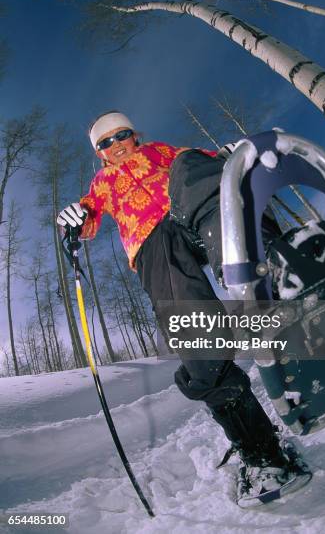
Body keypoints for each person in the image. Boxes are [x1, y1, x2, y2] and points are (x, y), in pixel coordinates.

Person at [57, 110, 294, 504]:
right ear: (99, 153)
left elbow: (205, 164)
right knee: (199, 343)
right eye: (106, 143)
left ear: (136, 135)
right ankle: (263, 452)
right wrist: (73, 219)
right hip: (152, 244)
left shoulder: (161, 152)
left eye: (123, 135)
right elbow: (88, 216)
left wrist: (234, 155)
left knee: (189, 165)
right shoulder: (102, 182)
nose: (117, 146)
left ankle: (270, 263)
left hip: (192, 216)